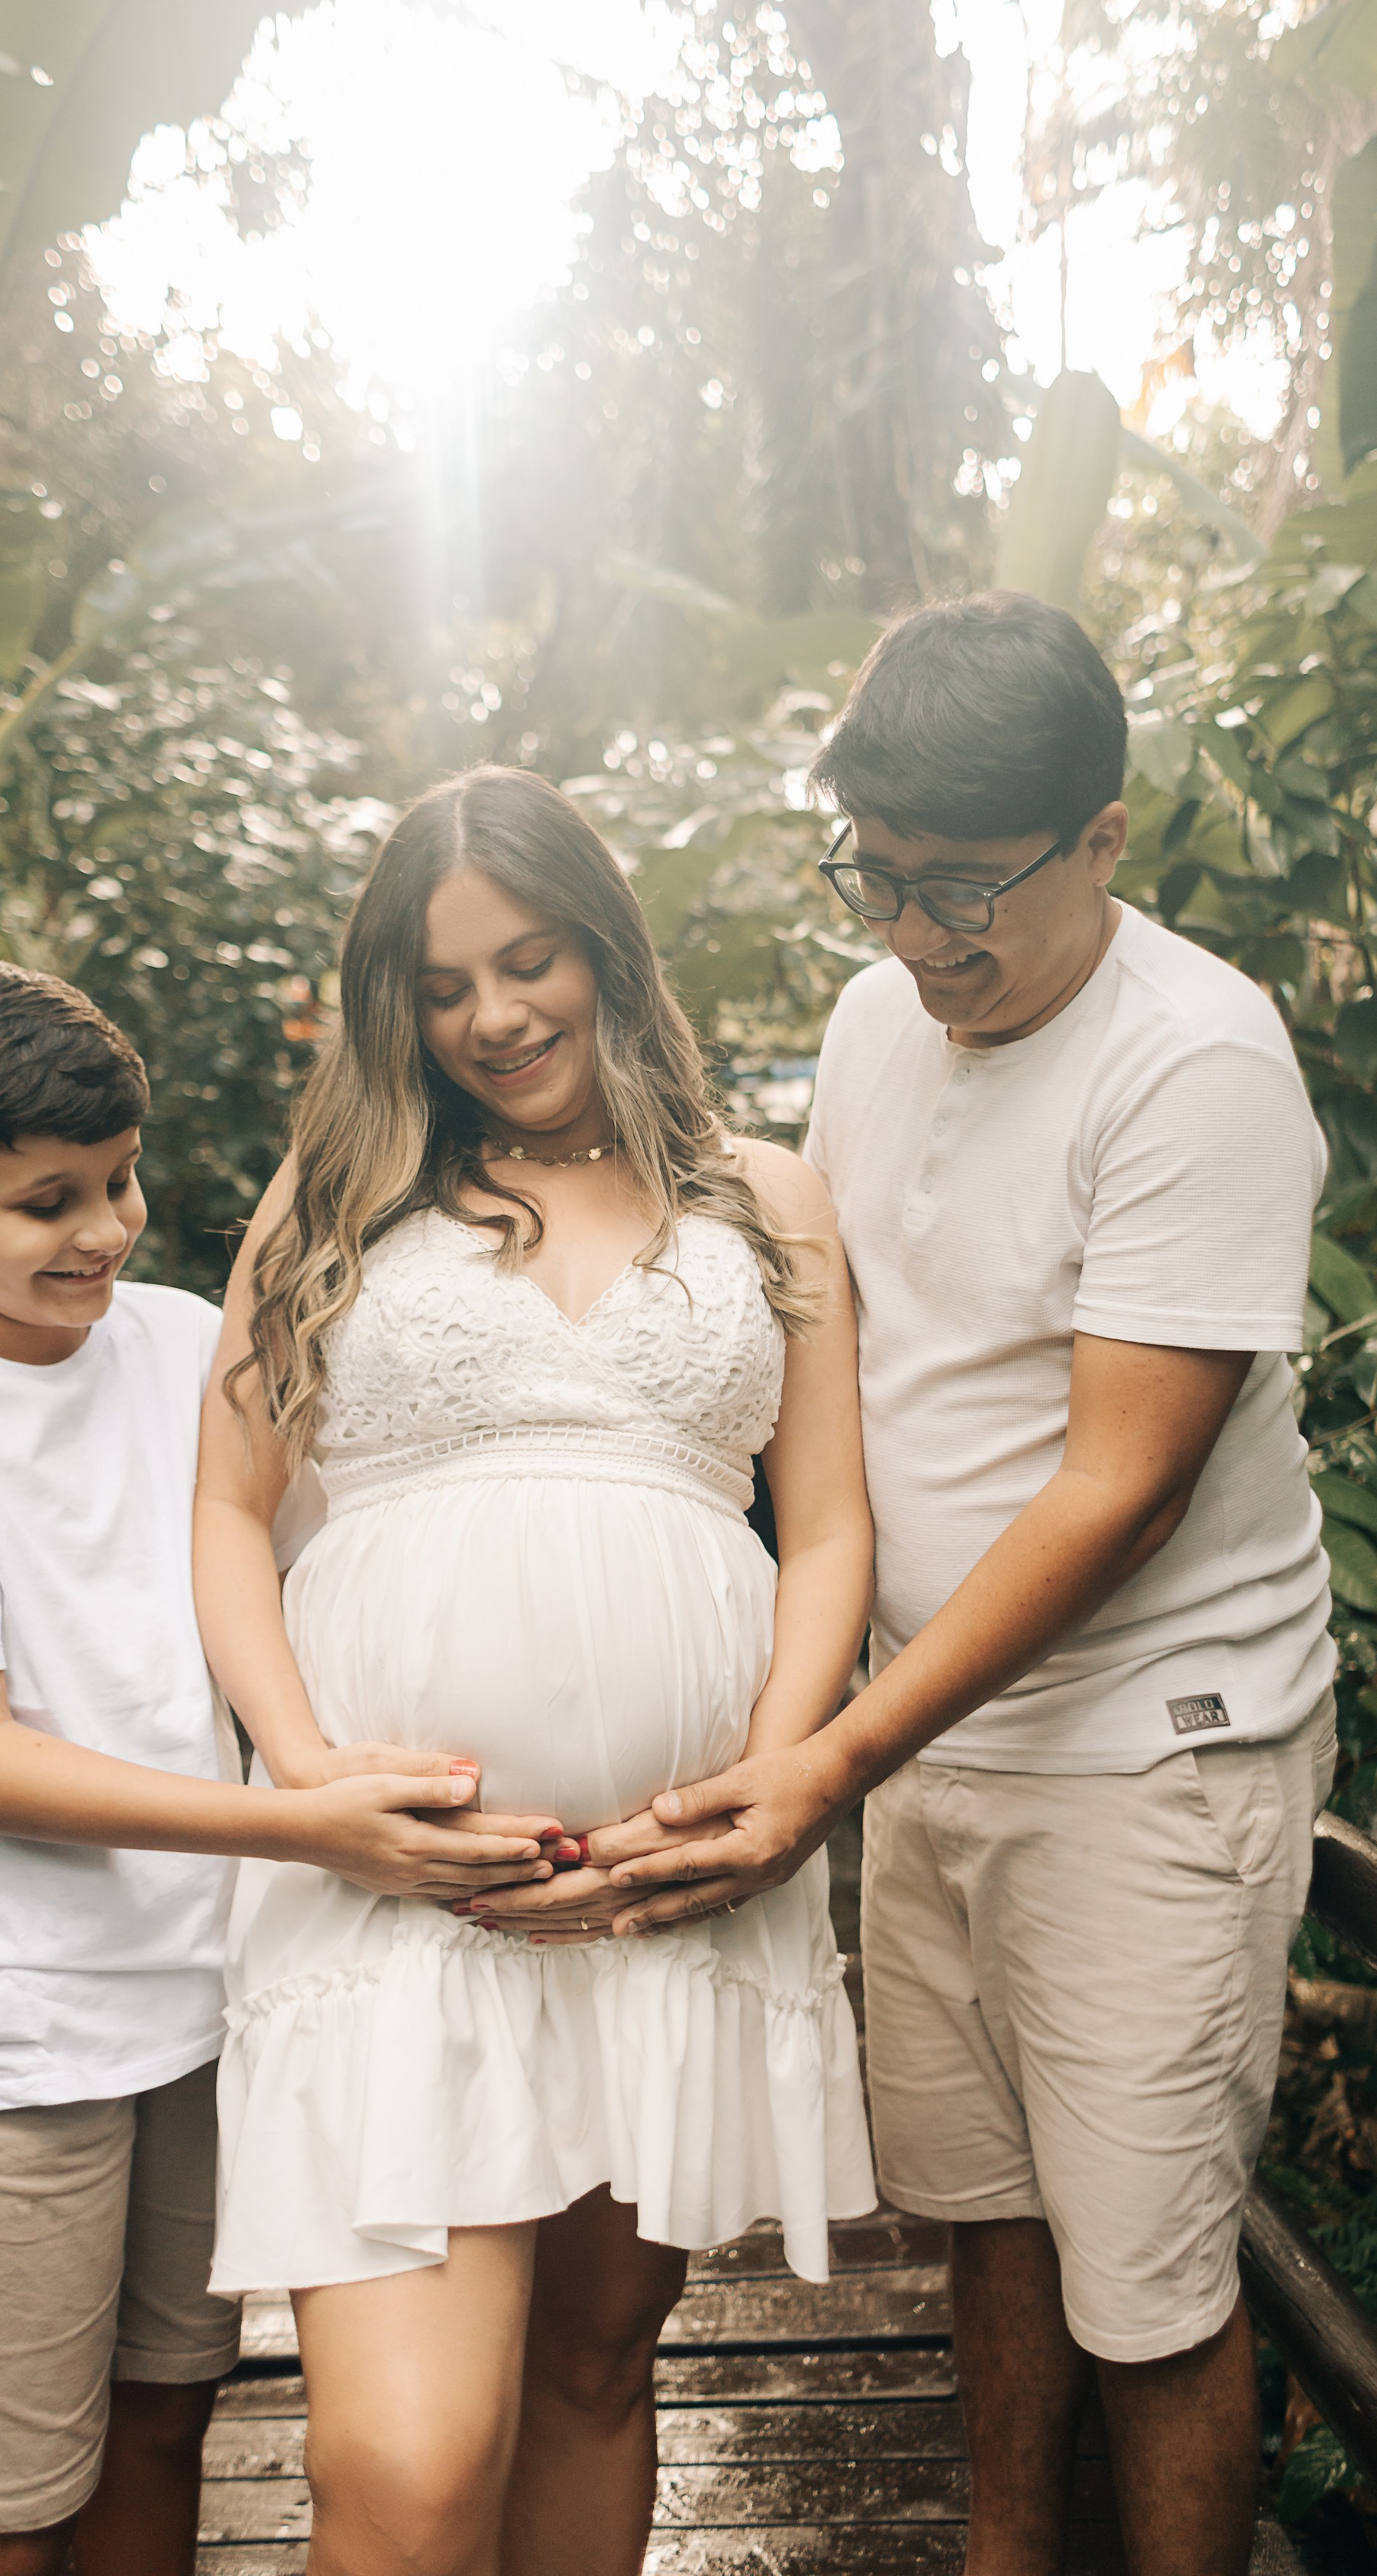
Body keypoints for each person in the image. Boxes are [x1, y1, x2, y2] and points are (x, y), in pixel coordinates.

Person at [596, 596, 1337, 2576]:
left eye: (960, 891)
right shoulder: (874, 1022)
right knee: (982, 2217)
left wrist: (827, 1761)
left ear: (1102, 839)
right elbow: (821, 1359)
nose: (914, 940)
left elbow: (1120, 1493)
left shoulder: (1194, 1061)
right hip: (926, 1736)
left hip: (1143, 1760)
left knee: (1149, 2278)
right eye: (876, 881)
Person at [195, 767, 877, 2576]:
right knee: (412, 2467)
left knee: (589, 2376)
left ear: (603, 946)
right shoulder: (335, 1190)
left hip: (668, 1900)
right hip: (396, 1905)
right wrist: (306, 1786)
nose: (491, 1016)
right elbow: (224, 1511)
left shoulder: (767, 1197)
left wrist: (767, 1775)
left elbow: (820, 1527)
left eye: (527, 959)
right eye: (439, 987)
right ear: (392, 1009)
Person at [0, 960, 557, 2576]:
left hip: (201, 2001)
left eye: (122, 1181)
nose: (102, 1230)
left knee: (166, 2420)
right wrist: (294, 1825)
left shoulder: (170, 1341)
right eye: (44, 1203)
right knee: (5, 2509)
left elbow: (326, 1559)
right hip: (12, 2030)